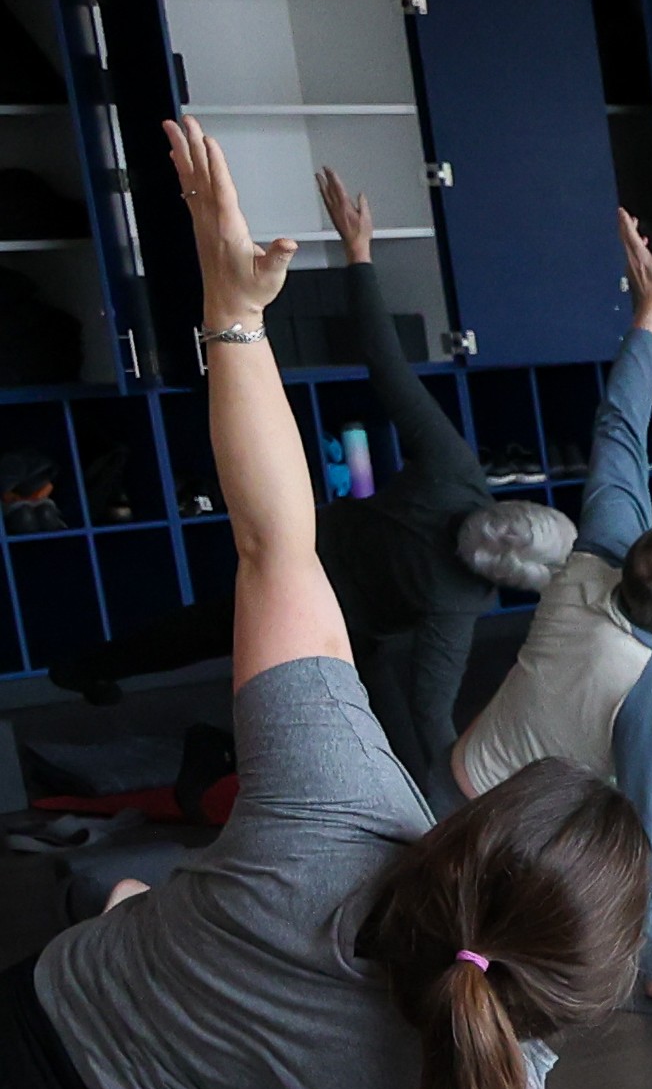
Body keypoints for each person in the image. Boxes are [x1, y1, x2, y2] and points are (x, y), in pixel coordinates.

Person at [0, 120, 650, 1089]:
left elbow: (271, 530)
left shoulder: (346, 794)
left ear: (476, 826)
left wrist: (235, 313)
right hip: (52, 1085)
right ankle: (147, 942)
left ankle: (148, 933)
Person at [49, 167, 571, 806]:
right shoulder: (458, 606)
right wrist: (470, 802)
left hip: (290, 546)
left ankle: (87, 670)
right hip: (330, 627)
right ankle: (242, 755)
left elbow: (386, 365)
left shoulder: (454, 475)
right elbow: (434, 712)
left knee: (205, 631)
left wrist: (359, 254)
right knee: (386, 727)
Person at [448, 210, 652, 1006]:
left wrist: (650, 310)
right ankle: (506, 927)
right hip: (515, 836)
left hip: (460, 784)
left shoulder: (604, 552)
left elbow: (619, 427)